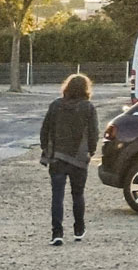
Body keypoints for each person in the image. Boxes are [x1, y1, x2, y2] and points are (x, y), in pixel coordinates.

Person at [39, 72, 99, 244]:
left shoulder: (56, 105)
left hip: (57, 157)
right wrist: (91, 151)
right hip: (79, 158)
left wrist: (46, 149)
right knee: (77, 194)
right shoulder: (88, 107)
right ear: (86, 89)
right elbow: (94, 133)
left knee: (57, 196)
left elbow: (45, 130)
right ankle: (79, 229)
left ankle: (57, 233)